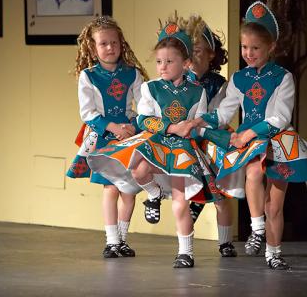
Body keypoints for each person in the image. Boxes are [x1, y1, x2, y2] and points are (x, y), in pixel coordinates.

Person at [191, 1, 307, 270]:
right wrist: (201, 119)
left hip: (280, 142)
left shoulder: (283, 77)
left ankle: (274, 252)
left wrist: (247, 133)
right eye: (245, 47)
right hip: (254, 143)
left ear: (271, 47)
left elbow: (280, 118)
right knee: (253, 173)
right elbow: (223, 114)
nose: (248, 53)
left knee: (274, 205)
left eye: (255, 48)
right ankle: (257, 230)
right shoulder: (238, 78)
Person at [87, 16, 214, 268]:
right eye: (158, 62)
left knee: (180, 203)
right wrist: (169, 127)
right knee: (138, 169)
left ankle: (185, 252)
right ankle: (154, 194)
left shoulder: (197, 91)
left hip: (181, 149)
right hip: (157, 141)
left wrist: (194, 126)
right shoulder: (150, 88)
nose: (162, 67)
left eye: (169, 61)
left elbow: (202, 122)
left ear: (186, 63)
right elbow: (144, 119)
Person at [66, 16, 148, 259]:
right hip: (103, 137)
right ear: (93, 47)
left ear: (121, 43)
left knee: (130, 189)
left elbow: (144, 107)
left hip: (130, 136)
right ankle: (111, 240)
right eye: (103, 44)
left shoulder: (132, 74)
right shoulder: (88, 77)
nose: (110, 47)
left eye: (114, 42)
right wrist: (113, 127)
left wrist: (132, 126)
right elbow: (88, 113)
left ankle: (122, 240)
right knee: (110, 187)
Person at [185, 14, 237, 257]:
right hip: (187, 138)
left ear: (210, 53)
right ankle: (184, 247)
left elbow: (215, 116)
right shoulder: (179, 82)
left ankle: (225, 242)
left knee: (219, 192)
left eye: (196, 50)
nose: (191, 56)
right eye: (187, 51)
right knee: (183, 191)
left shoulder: (220, 84)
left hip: (209, 137)